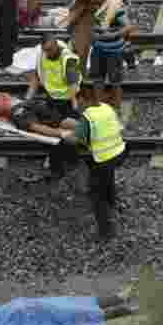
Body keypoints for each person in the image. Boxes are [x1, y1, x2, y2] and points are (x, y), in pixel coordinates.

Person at [57, 80, 128, 241]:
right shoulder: (106, 107)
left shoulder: (88, 116)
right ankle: (113, 203)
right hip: (119, 152)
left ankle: (105, 232)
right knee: (108, 179)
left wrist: (63, 135)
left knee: (96, 195)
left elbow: (76, 140)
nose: (77, 105)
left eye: (77, 101)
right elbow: (110, 129)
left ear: (83, 99)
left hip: (103, 158)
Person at [11, 35, 82, 181]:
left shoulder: (68, 60)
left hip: (67, 101)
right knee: (62, 132)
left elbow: (73, 86)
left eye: (50, 50)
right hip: (52, 100)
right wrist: (26, 100)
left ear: (56, 45)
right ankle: (68, 159)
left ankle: (62, 164)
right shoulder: (42, 55)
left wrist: (74, 105)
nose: (47, 53)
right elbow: (35, 80)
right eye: (45, 50)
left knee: (64, 133)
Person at [89, 0, 132, 109]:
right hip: (98, 49)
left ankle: (117, 108)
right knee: (97, 79)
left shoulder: (115, 8)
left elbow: (128, 27)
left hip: (114, 50)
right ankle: (99, 108)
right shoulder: (92, 8)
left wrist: (112, 36)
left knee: (115, 81)